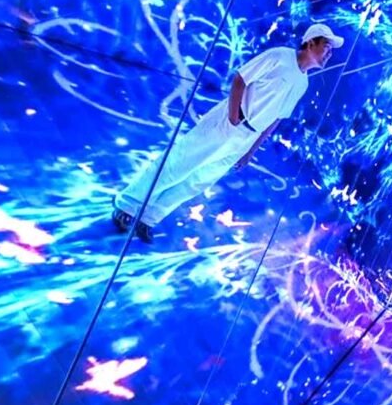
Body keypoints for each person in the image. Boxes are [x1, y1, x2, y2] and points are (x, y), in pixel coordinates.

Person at [112, 24, 344, 242]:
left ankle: (148, 218)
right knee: (180, 163)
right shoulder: (279, 56)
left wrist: (250, 151)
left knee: (197, 181)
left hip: (246, 137)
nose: (329, 54)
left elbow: (276, 119)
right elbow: (241, 78)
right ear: (311, 42)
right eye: (327, 46)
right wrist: (234, 116)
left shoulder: (303, 83)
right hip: (228, 123)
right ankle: (128, 205)